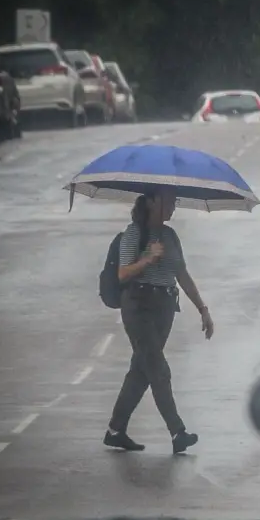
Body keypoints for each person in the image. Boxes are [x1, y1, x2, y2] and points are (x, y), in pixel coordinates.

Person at [103, 187, 214, 454]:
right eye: (168, 201)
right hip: (138, 307)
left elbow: (182, 273)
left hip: (164, 308)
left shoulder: (169, 235)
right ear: (152, 202)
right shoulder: (134, 233)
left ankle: (115, 431)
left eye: (174, 201)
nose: (173, 206)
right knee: (158, 370)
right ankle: (178, 432)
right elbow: (122, 274)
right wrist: (148, 258)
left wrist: (203, 308)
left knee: (141, 371)